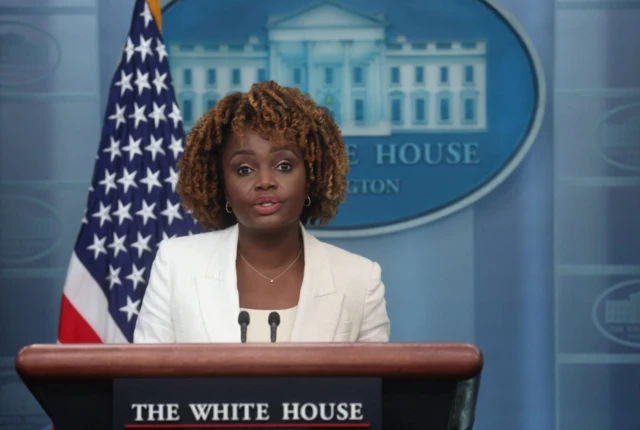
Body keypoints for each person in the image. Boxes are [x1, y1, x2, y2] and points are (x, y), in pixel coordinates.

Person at [133, 80, 390, 343]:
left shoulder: (359, 277)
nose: (265, 181)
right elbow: (146, 379)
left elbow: (372, 383)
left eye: (284, 166)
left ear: (311, 176)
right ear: (221, 184)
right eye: (244, 169)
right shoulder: (177, 264)